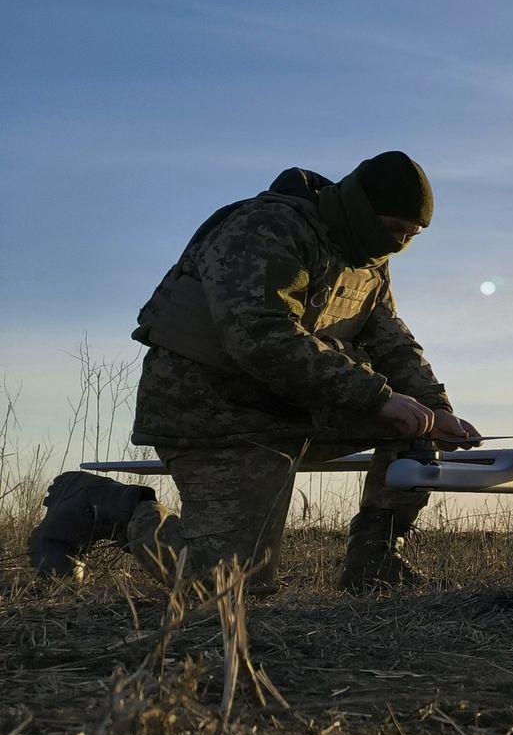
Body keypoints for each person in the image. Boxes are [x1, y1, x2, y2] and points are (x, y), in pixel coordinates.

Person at [28, 150, 479, 594]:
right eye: (392, 230)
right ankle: (99, 505)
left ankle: (375, 562)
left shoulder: (367, 260)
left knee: (417, 425)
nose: (398, 244)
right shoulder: (265, 228)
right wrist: (377, 398)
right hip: (212, 409)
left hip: (293, 406)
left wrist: (438, 412)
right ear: (363, 209)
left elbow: (392, 342)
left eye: (410, 235)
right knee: (223, 585)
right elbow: (260, 336)